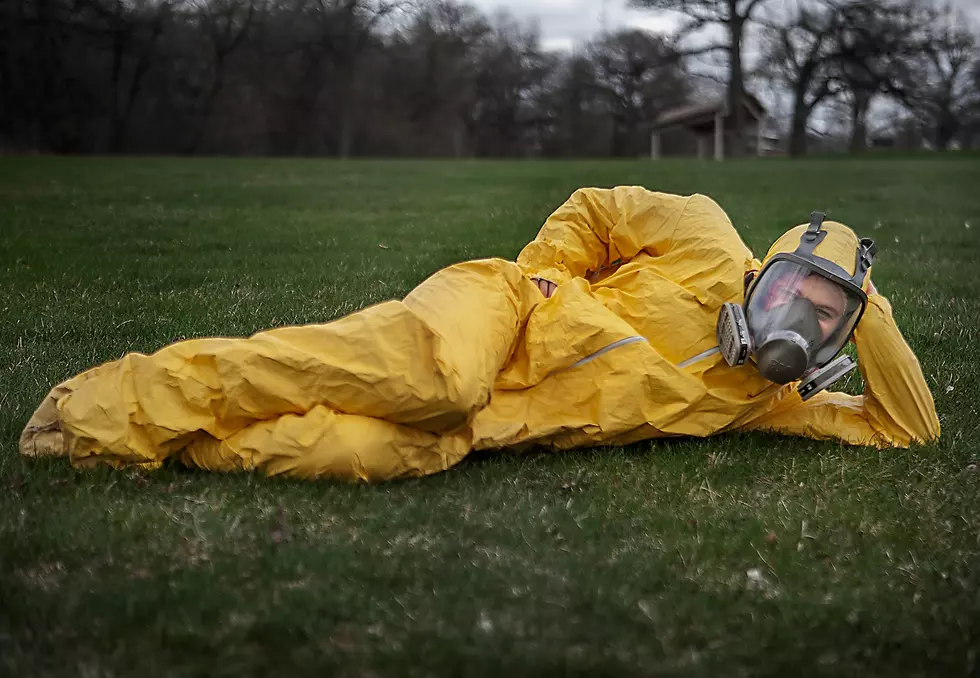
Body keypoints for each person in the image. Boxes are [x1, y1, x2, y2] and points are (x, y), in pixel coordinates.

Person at [20, 187, 940, 482]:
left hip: (505, 419)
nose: (798, 318)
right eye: (796, 291)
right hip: (501, 310)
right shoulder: (706, 233)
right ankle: (111, 401)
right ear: (766, 270)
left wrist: (870, 305)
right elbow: (597, 208)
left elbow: (904, 428)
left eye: (826, 318)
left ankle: (160, 442)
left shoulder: (764, 404)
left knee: (376, 450)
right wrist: (542, 272)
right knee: (430, 382)